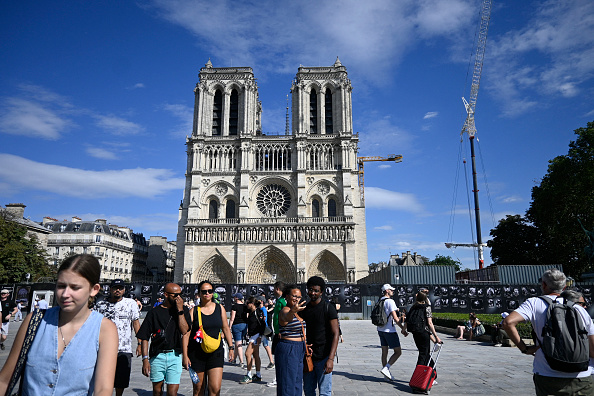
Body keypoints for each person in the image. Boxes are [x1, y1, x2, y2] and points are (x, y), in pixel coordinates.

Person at [0, 254, 118, 395]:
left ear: (94, 289)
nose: (65, 294)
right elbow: (5, 380)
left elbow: (103, 389)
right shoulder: (34, 320)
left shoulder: (105, 329)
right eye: (61, 286)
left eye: (75, 288)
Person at [503, 268, 594, 396]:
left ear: (544, 285)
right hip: (581, 377)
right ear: (564, 288)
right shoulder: (579, 309)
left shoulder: (534, 303)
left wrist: (524, 348)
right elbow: (592, 350)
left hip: (548, 375)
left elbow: (508, 322)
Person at [182, 280, 234, 396]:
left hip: (216, 353)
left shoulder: (220, 308)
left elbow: (226, 328)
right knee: (198, 389)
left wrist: (231, 347)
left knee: (215, 389)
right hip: (196, 354)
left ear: (212, 293)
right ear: (199, 293)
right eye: (204, 291)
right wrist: (185, 356)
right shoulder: (193, 311)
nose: (207, 293)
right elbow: (186, 335)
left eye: (209, 291)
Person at [138, 283, 190, 396]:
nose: (179, 298)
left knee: (172, 393)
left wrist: (180, 310)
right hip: (157, 356)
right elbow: (144, 337)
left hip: (175, 355)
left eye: (180, 295)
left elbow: (184, 330)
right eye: (175, 295)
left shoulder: (183, 310)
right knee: (157, 391)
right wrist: (145, 359)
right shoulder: (154, 312)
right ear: (166, 294)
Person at [94, 279, 141, 396]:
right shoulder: (100, 305)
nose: (118, 290)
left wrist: (140, 344)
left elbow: (136, 323)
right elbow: (94, 325)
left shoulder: (131, 303)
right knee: (104, 378)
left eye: (120, 288)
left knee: (121, 380)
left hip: (124, 348)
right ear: (110, 289)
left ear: (124, 290)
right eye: (115, 288)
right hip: (104, 348)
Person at [300, 276, 340, 396]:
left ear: (321, 292)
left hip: (324, 356)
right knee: (308, 390)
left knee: (324, 392)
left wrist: (331, 359)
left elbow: (336, 333)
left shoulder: (328, 308)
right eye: (311, 289)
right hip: (308, 356)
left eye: (316, 290)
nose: (313, 292)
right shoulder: (305, 309)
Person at [275, 284, 307, 396]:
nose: (297, 299)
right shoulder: (285, 310)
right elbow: (286, 318)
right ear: (287, 297)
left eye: (299, 297)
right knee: (287, 385)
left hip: (300, 348)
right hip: (289, 348)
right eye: (294, 296)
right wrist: (292, 311)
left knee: (297, 384)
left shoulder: (298, 312)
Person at [376, 283, 407, 381]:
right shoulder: (390, 301)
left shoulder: (380, 300)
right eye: (391, 290)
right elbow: (395, 318)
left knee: (384, 352)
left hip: (380, 329)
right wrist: (403, 328)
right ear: (387, 291)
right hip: (389, 330)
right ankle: (386, 368)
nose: (393, 291)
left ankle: (386, 376)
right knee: (398, 352)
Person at [405, 291, 442, 369]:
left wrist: (403, 330)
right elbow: (430, 323)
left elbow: (407, 320)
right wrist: (436, 336)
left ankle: (433, 374)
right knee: (423, 354)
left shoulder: (413, 307)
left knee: (424, 353)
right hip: (424, 333)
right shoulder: (427, 307)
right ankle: (418, 375)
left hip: (415, 332)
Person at [239, 296, 266, 384]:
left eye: (248, 303)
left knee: (247, 353)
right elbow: (244, 310)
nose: (246, 304)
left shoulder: (258, 312)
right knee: (256, 355)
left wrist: (260, 336)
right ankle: (258, 375)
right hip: (253, 335)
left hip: (256, 335)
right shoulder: (251, 312)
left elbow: (263, 324)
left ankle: (249, 375)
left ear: (252, 304)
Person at [267, 280, 286, 388]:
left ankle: (279, 379)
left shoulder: (283, 301)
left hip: (280, 333)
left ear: (277, 289)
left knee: (279, 358)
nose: (273, 291)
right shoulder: (279, 300)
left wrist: (282, 331)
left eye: (274, 288)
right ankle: (278, 378)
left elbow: (287, 316)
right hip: (278, 333)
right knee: (278, 357)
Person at [229, 293, 248, 367]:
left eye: (234, 297)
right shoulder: (245, 306)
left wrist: (229, 327)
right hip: (244, 325)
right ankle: (234, 359)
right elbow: (247, 316)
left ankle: (241, 362)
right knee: (237, 343)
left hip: (236, 325)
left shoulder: (234, 306)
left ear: (236, 298)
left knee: (238, 343)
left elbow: (232, 318)